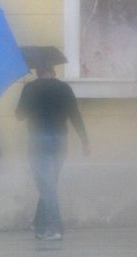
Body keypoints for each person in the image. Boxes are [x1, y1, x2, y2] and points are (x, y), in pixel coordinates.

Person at [15, 64, 90, 240]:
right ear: (53, 72)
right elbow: (75, 116)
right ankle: (38, 222)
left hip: (38, 140)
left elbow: (20, 115)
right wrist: (84, 140)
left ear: (38, 72)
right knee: (50, 185)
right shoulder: (64, 88)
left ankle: (54, 228)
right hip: (60, 140)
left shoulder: (30, 87)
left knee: (46, 186)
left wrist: (24, 105)